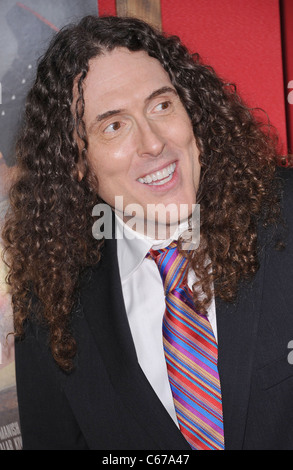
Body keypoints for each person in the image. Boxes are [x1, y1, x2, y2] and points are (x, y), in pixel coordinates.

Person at [2, 15, 293, 451]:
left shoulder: (284, 215)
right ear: (78, 164)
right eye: (114, 125)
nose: (154, 143)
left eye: (161, 105)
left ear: (192, 112)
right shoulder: (52, 307)